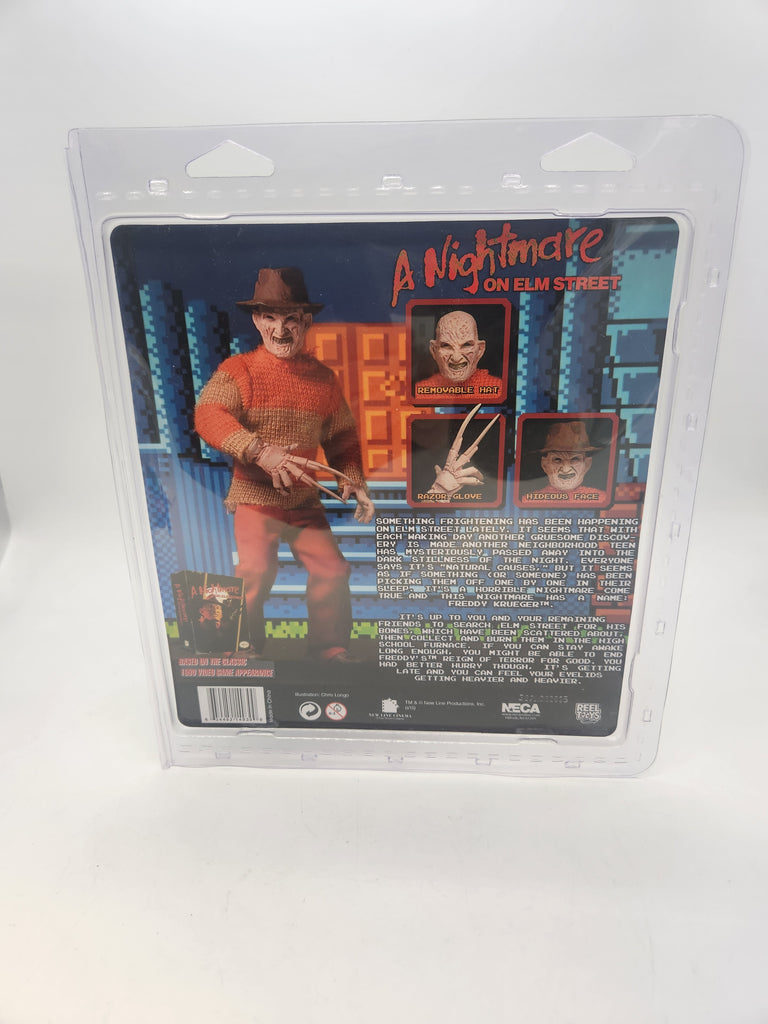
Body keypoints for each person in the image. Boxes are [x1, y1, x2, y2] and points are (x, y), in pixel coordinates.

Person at [195, 267, 374, 664]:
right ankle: (240, 647)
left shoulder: (323, 379)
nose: (280, 330)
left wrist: (353, 478)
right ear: (257, 321)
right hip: (254, 498)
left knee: (333, 569)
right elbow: (208, 415)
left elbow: (341, 434)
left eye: (290, 319)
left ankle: (329, 647)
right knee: (255, 572)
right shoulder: (239, 370)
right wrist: (258, 451)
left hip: (304, 501)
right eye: (270, 318)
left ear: (305, 321)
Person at [414, 310, 504, 400]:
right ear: (434, 350)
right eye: (446, 346)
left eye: (466, 345)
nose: (456, 358)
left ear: (480, 350)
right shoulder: (420, 392)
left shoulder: (498, 390)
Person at [520, 420, 608, 504]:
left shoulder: (602, 499)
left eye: (574, 459)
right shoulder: (529, 501)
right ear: (545, 464)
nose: (566, 469)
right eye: (557, 459)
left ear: (587, 464)